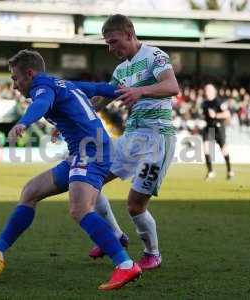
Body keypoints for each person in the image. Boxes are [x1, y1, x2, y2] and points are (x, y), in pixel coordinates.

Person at [0, 49, 141, 291]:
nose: (14, 85)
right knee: (30, 192)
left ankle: (125, 264)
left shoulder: (42, 87)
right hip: (84, 150)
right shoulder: (63, 83)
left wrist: (24, 123)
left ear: (29, 73)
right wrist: (128, 93)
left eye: (15, 78)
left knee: (80, 209)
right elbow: (98, 88)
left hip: (92, 151)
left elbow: (42, 103)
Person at [73, 14, 179, 271]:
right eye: (108, 44)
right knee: (90, 181)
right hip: (132, 139)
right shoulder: (121, 70)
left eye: (114, 42)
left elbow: (172, 86)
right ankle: (116, 236)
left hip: (156, 140)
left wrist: (141, 91)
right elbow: (102, 100)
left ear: (130, 34)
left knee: (134, 205)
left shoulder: (155, 56)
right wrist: (73, 116)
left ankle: (152, 253)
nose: (111, 49)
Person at [202, 83, 234, 180]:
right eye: (205, 90)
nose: (206, 92)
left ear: (213, 91)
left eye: (208, 90)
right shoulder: (204, 103)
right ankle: (210, 171)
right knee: (206, 148)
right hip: (209, 127)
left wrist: (215, 115)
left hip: (218, 127)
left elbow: (227, 114)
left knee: (223, 150)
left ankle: (229, 170)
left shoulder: (219, 102)